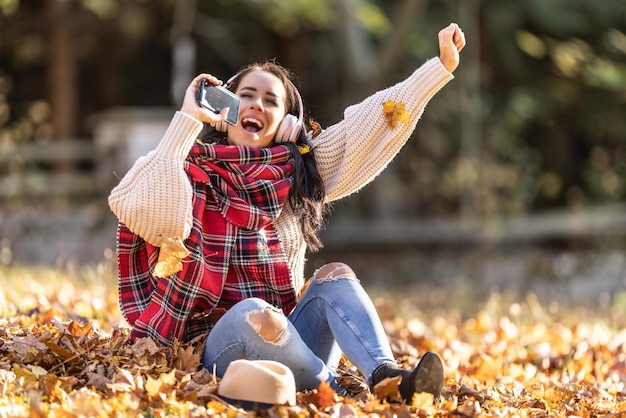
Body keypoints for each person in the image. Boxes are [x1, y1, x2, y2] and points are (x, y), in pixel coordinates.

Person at [108, 23, 466, 403]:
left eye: (270, 101)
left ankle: (385, 376)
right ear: (225, 109)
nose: (256, 105)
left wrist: (438, 68)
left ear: (285, 123)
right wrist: (187, 120)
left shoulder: (296, 173)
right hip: (211, 351)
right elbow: (143, 209)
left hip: (288, 341)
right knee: (254, 310)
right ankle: (341, 393)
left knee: (334, 275)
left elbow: (369, 125)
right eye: (245, 95)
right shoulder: (187, 169)